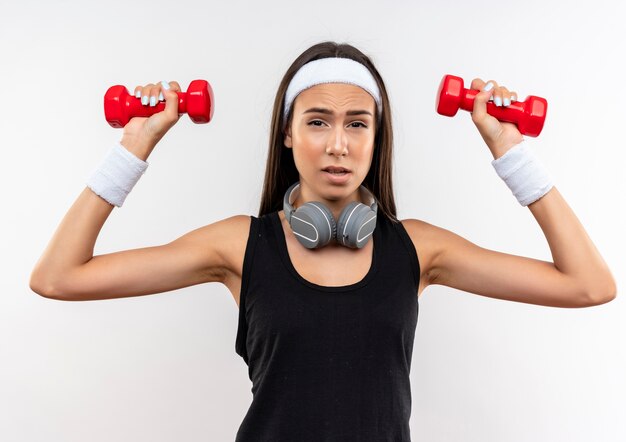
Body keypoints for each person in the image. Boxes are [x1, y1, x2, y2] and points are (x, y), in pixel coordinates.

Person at [30, 41, 616, 441]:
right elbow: (58, 277)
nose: (338, 144)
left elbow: (589, 285)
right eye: (317, 121)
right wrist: (136, 142)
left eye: (357, 123)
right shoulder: (239, 246)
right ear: (287, 134)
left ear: (375, 138)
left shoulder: (418, 249)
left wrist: (509, 149)